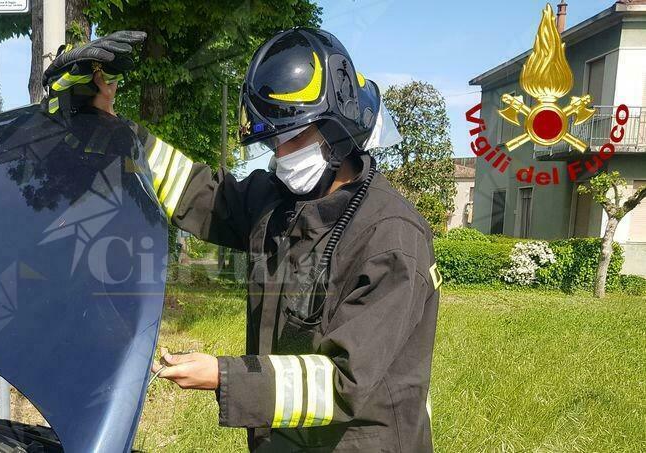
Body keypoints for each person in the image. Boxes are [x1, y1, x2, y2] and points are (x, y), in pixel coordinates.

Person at [43, 28, 440, 452]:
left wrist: (221, 374)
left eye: (294, 137)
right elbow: (190, 190)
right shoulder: (277, 199)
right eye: (273, 139)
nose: (281, 155)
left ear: (338, 128)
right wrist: (104, 125)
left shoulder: (392, 238)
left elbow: (342, 383)